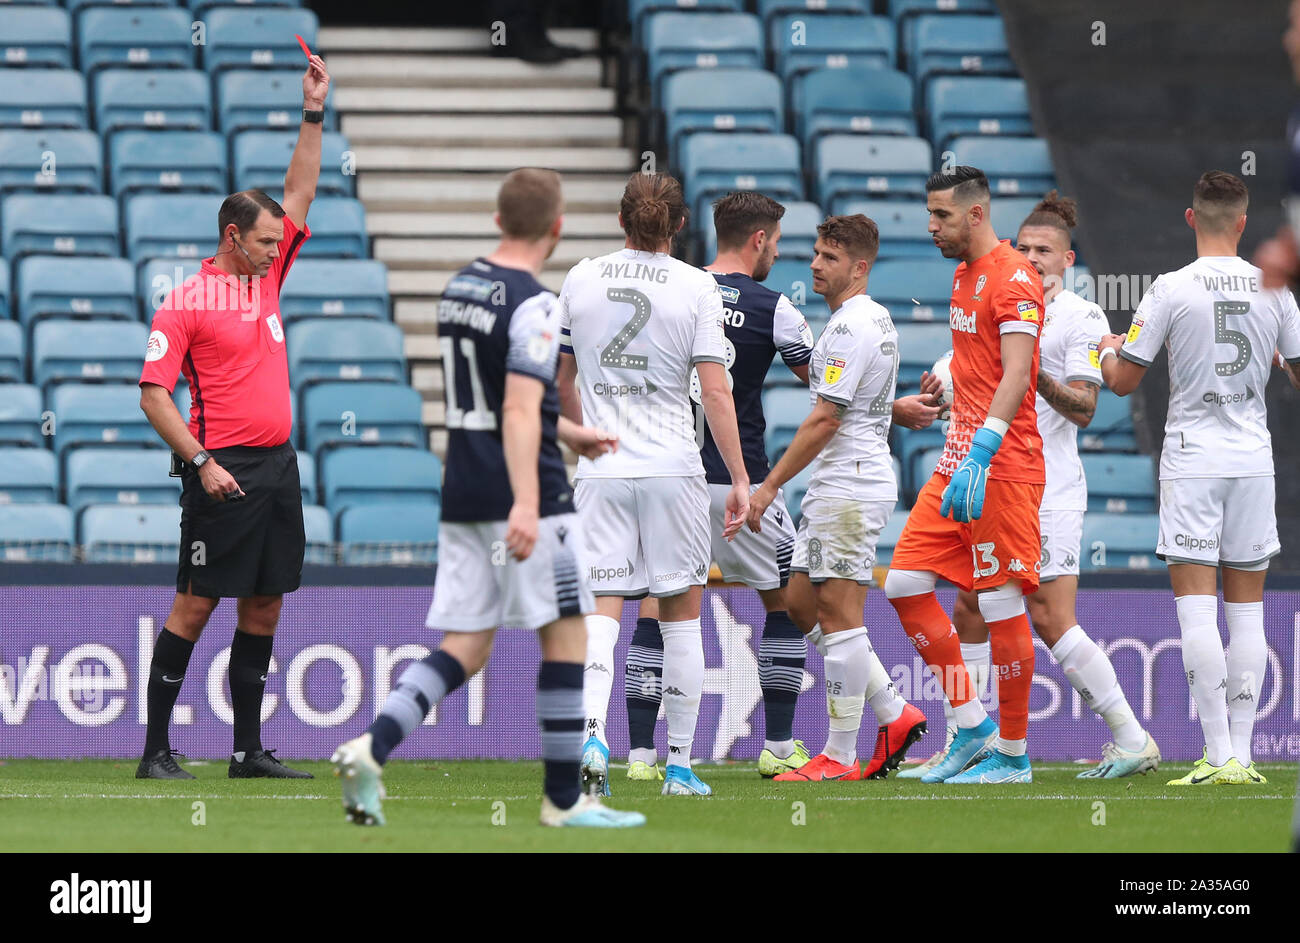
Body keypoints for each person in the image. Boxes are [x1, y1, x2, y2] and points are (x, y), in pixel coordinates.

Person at [331, 169, 644, 829]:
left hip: (464, 486)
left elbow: (491, 399)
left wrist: (573, 433)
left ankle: (371, 745)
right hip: (518, 492)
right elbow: (519, 406)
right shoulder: (535, 303)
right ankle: (566, 801)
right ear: (556, 229)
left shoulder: (460, 287)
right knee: (566, 638)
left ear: (498, 219)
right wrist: (527, 501)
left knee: (467, 644)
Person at [903, 193, 1160, 780]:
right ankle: (965, 740)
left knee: (1048, 615)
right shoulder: (999, 294)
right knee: (968, 608)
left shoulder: (1080, 317)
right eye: (1023, 247)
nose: (1032, 258)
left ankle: (1130, 736)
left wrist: (1029, 374)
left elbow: (1085, 408)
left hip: (1047, 488)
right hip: (986, 482)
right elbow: (969, 374)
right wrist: (942, 395)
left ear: (1068, 259)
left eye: (1044, 250)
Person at [134, 53, 331, 780]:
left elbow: (299, 190)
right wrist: (200, 461)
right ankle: (155, 750)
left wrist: (313, 111)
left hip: (279, 468)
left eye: (279, 243)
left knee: (266, 608)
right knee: (193, 608)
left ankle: (247, 751)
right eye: (265, 242)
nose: (278, 251)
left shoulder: (268, 275)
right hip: (223, 470)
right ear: (231, 237)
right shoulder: (184, 301)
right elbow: (153, 393)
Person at [1097, 170, 1300, 786]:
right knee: (1247, 615)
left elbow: (1122, 380)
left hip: (1191, 458)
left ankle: (1216, 754)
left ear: (1192, 219)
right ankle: (1243, 755)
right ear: (1243, 222)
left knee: (1195, 610)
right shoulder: (1275, 291)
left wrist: (1101, 350)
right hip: (1252, 460)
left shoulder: (1169, 289)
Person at [555, 171, 749, 798]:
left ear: (620, 221)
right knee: (681, 619)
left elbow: (560, 375)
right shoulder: (697, 286)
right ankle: (682, 766)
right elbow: (716, 391)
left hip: (602, 468)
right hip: (673, 468)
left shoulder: (582, 276)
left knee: (601, 619)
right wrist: (741, 476)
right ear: (680, 226)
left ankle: (591, 740)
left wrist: (580, 433)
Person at [745, 214, 928, 782]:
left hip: (848, 484)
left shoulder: (851, 327)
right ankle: (895, 713)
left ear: (860, 266)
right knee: (801, 604)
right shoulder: (860, 320)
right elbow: (857, 401)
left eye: (828, 256)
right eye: (817, 254)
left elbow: (826, 418)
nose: (815, 264)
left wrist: (768, 485)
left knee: (842, 619)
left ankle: (840, 754)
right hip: (840, 480)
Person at [883, 166, 1045, 785]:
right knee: (902, 583)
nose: (931, 227)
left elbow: (1018, 373)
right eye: (929, 214)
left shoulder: (1014, 278)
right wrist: (952, 407)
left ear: (976, 214)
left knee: (1001, 602)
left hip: (1001, 466)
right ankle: (972, 724)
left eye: (941, 216)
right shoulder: (961, 276)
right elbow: (980, 372)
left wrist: (983, 447)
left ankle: (1013, 754)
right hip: (960, 461)